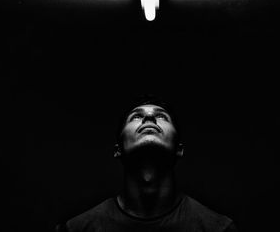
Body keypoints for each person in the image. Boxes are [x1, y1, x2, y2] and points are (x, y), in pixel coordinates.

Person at [59, 96, 237, 232]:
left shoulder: (218, 229)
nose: (149, 118)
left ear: (179, 149)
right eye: (136, 117)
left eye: (162, 117)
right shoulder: (76, 229)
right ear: (118, 149)